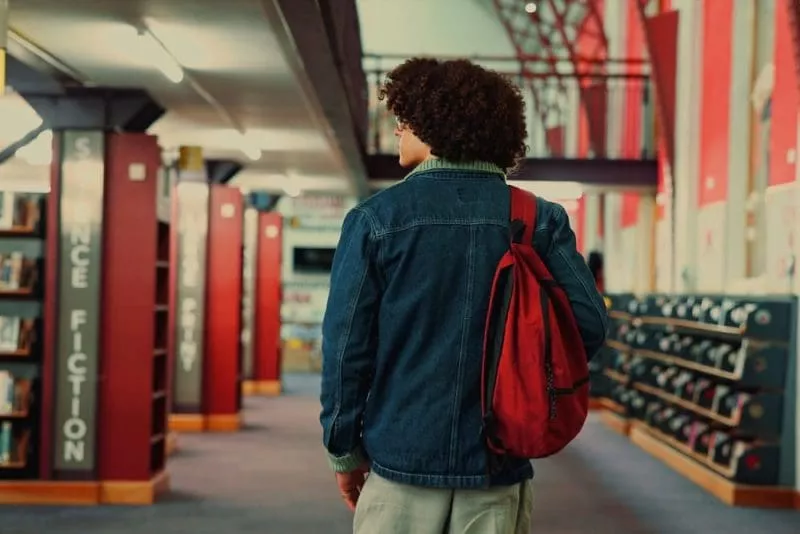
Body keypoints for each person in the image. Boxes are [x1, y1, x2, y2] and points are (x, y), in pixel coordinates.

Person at [320, 58, 608, 533]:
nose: (397, 130)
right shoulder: (540, 219)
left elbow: (345, 350)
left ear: (436, 123)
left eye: (406, 117)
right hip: (497, 462)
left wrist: (343, 449)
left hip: (400, 459)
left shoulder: (376, 220)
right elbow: (588, 325)